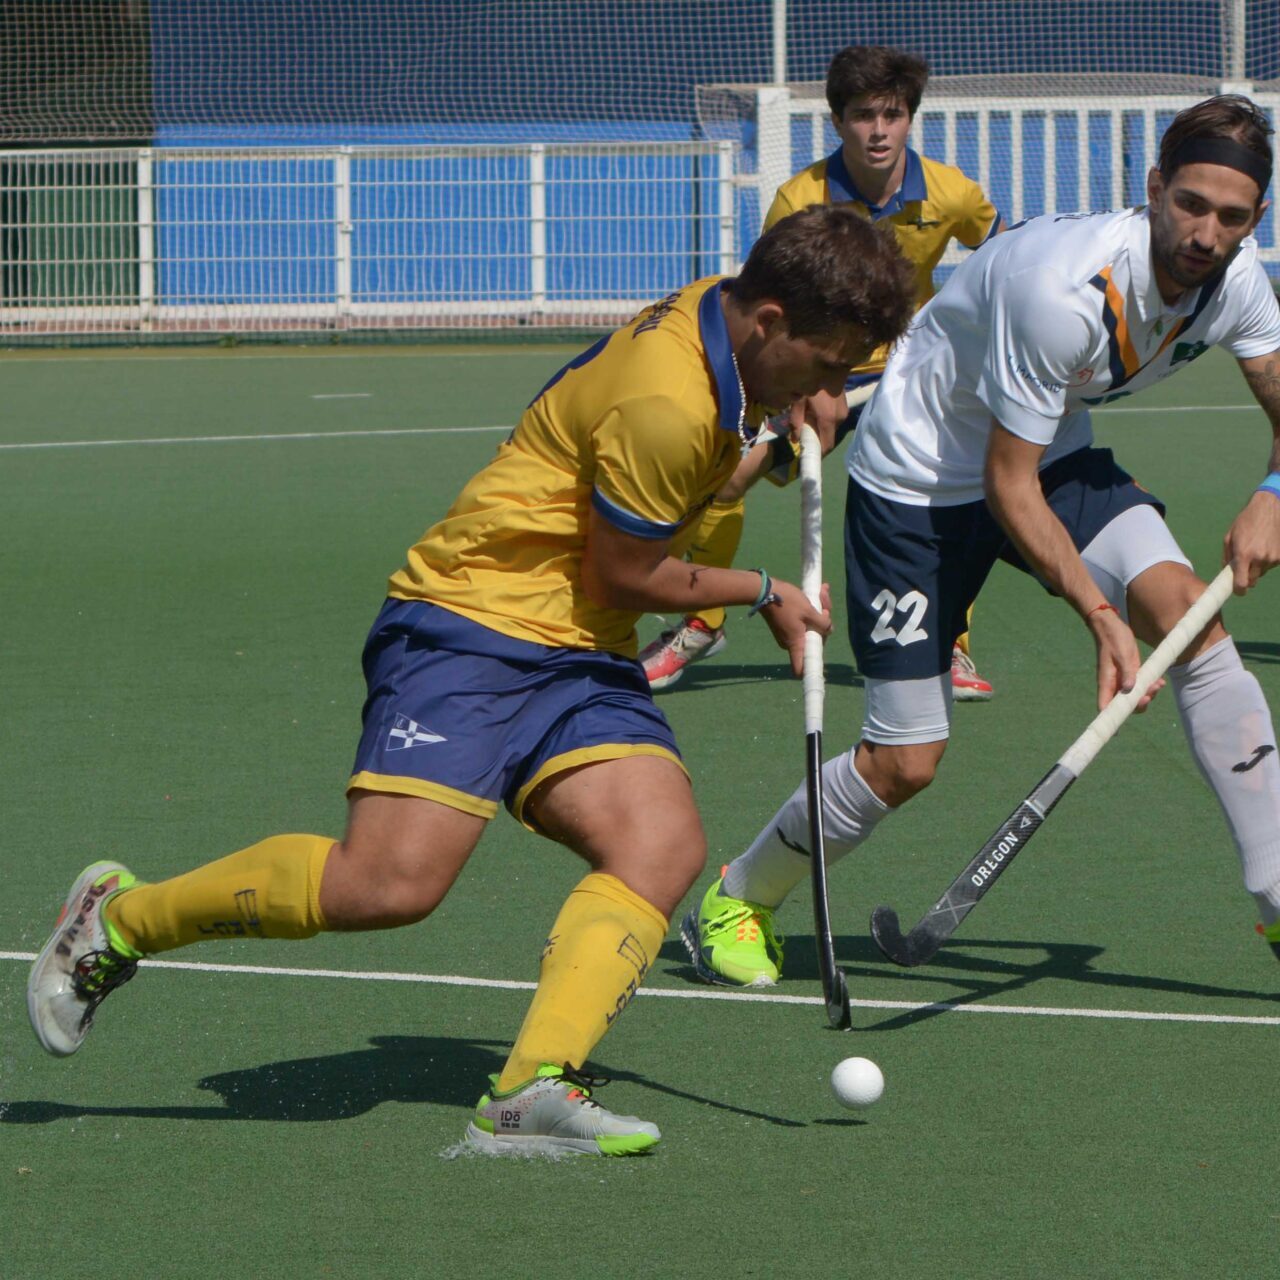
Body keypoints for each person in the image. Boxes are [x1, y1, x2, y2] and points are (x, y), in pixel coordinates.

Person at [26, 204, 917, 1156]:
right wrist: (765, 590)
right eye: (829, 366)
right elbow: (624, 573)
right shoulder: (668, 400)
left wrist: (785, 419)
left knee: (658, 845)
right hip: (472, 621)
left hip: (580, 647)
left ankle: (531, 1088)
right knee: (389, 885)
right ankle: (119, 918)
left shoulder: (724, 316)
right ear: (771, 322)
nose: (833, 390)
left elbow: (708, 476)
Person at [682, 94, 1280, 988]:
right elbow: (1007, 487)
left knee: (1192, 622)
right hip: (920, 483)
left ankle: (1277, 897)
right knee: (905, 761)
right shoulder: (1066, 293)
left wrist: (1272, 493)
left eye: (1231, 217)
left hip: (1049, 450)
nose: (1205, 232)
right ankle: (739, 896)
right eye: (1190, 203)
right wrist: (1098, 616)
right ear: (1155, 187)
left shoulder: (1237, 283)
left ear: (1256, 219)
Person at [641, 44, 1003, 700]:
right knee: (727, 478)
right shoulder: (799, 199)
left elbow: (1005, 255)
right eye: (863, 115)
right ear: (838, 121)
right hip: (816, 375)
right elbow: (769, 306)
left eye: (892, 115)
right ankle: (703, 622)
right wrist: (808, 389)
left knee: (949, 490)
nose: (879, 131)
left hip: (912, 372)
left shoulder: (952, 193)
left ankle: (947, 640)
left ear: (910, 118)